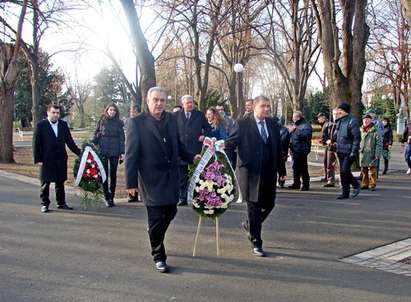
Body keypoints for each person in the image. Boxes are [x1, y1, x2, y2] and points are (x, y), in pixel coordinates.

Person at [125, 87, 200, 273]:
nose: (159, 104)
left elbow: (179, 144)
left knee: (171, 211)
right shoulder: (136, 123)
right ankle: (159, 255)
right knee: (156, 215)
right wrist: (131, 183)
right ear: (148, 101)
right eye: (155, 100)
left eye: (162, 100)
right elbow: (131, 155)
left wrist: (191, 157)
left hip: (170, 175)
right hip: (150, 179)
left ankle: (154, 233)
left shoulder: (172, 120)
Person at [225, 95, 286, 257]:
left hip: (268, 172)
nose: (266, 109)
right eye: (263, 106)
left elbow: (277, 148)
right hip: (250, 173)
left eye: (268, 106)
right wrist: (221, 157)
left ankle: (249, 225)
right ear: (254, 107)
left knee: (270, 204)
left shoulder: (272, 124)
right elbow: (231, 143)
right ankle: (256, 241)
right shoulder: (243, 124)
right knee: (254, 207)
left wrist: (282, 171)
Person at [33, 104, 81, 213]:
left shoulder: (63, 125)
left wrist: (80, 153)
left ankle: (61, 203)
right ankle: (45, 204)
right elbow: (36, 144)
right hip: (46, 159)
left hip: (61, 159)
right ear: (48, 113)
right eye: (53, 112)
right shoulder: (41, 125)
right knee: (45, 183)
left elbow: (70, 142)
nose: (56, 115)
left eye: (58, 113)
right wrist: (38, 159)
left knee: (60, 182)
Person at [175, 95, 211, 206]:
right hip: (181, 151)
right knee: (182, 176)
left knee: (197, 174)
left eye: (191, 103)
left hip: (196, 150)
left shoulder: (199, 115)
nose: (190, 105)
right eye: (187, 103)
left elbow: (208, 128)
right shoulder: (175, 115)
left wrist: (204, 136)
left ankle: (197, 196)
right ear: (182, 104)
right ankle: (183, 197)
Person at [92, 103, 125, 207]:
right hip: (104, 150)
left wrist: (122, 152)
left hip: (115, 151)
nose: (112, 112)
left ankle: (112, 196)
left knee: (113, 174)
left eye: (114, 110)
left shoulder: (119, 123)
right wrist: (92, 143)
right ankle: (106, 196)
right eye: (110, 110)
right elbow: (96, 133)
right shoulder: (102, 121)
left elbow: (121, 139)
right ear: (107, 110)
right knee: (104, 174)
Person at [334, 103, 361, 199]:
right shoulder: (339, 121)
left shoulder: (352, 121)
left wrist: (354, 151)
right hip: (340, 151)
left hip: (349, 151)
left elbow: (356, 138)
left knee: (345, 170)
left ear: (345, 111)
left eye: (340, 110)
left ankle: (356, 184)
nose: (338, 112)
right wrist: (332, 141)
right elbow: (336, 136)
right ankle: (345, 193)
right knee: (342, 172)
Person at [288, 111, 312, 191]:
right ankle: (296, 183)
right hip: (295, 149)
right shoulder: (296, 125)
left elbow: (306, 136)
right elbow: (292, 137)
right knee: (295, 167)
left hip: (302, 150)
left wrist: (296, 130)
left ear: (298, 117)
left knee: (303, 168)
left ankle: (305, 185)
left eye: (294, 117)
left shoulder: (306, 125)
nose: (293, 119)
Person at [359, 114, 383, 191]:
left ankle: (372, 184)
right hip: (362, 152)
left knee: (372, 170)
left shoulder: (375, 130)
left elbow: (379, 143)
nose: (366, 121)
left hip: (372, 152)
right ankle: (365, 184)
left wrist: (377, 153)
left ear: (371, 120)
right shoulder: (360, 129)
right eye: (364, 120)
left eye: (368, 119)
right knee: (364, 169)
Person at [125, 105, 141, 203]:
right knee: (131, 172)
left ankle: (140, 194)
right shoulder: (129, 121)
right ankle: (132, 195)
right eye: (131, 112)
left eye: (134, 112)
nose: (132, 114)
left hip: (141, 153)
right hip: (132, 151)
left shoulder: (142, 122)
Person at [318, 111, 337, 187]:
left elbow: (325, 136)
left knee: (329, 163)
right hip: (328, 145)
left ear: (323, 118)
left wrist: (325, 141)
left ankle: (330, 180)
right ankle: (328, 177)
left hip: (331, 146)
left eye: (319, 118)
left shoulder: (327, 124)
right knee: (326, 162)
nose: (318, 120)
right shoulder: (326, 124)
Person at [278, 119, 290, 188]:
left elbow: (284, 141)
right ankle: (281, 182)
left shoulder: (275, 129)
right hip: (283, 151)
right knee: (282, 169)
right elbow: (285, 141)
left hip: (280, 151)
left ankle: (281, 182)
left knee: (280, 169)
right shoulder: (285, 130)